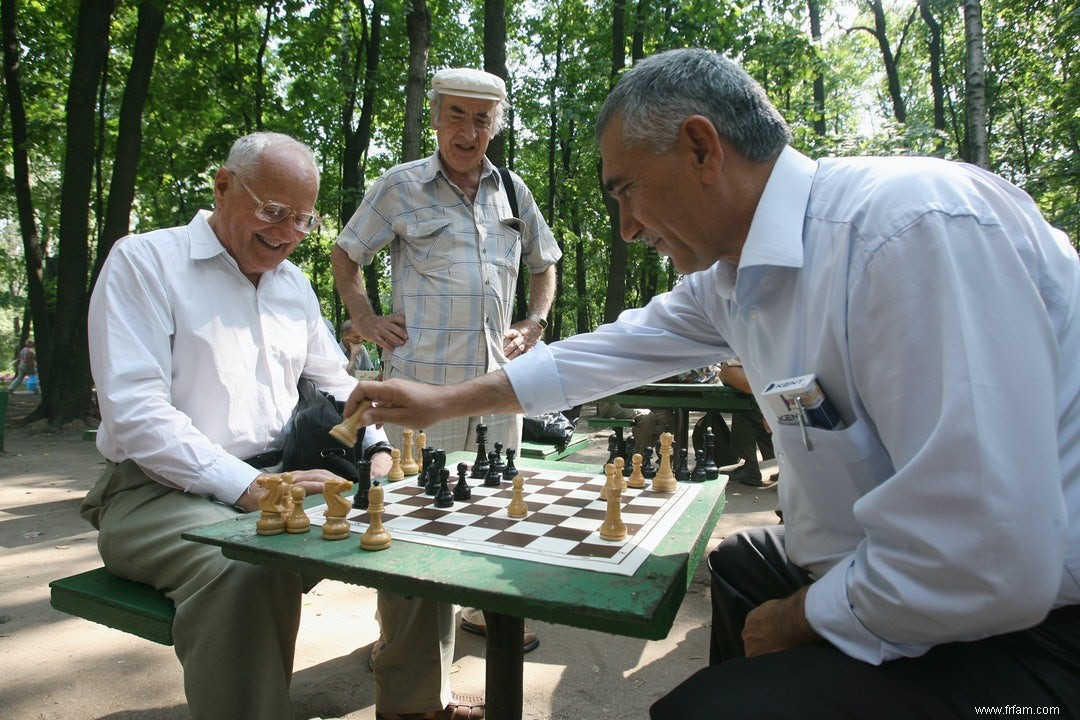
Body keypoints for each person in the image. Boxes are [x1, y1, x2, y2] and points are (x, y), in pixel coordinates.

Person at [343, 48, 1080, 718]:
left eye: (627, 191)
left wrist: (798, 619)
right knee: (737, 566)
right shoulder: (732, 275)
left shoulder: (910, 231)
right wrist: (445, 400)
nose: (627, 228)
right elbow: (604, 354)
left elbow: (986, 559)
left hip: (1028, 626)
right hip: (889, 565)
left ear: (701, 147)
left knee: (698, 710)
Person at [81, 132, 395, 720]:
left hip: (278, 478)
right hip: (156, 492)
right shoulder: (145, 261)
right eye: (274, 211)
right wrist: (248, 488)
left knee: (412, 524)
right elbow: (136, 414)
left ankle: (417, 701)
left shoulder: (293, 285)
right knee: (245, 567)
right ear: (223, 186)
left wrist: (377, 447)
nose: (287, 233)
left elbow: (334, 380)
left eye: (304, 219)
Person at [332, 66, 561, 702]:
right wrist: (363, 318)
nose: (468, 130)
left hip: (496, 391)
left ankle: (480, 609)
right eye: (455, 114)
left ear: (498, 124)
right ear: (435, 117)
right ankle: (404, 656)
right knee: (410, 522)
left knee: (489, 508)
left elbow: (546, 265)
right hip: (419, 392)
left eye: (481, 117)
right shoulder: (400, 187)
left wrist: (535, 322)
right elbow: (347, 252)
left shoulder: (513, 192)